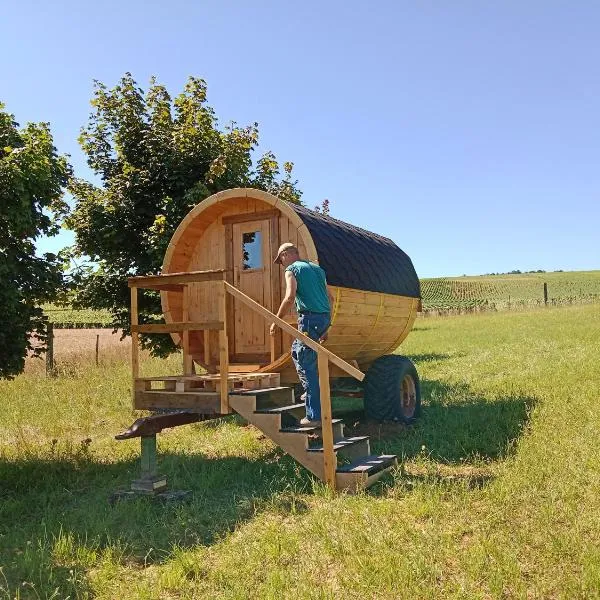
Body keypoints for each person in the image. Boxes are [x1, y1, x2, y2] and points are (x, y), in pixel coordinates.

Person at [270, 242, 334, 426]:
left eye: (280, 260)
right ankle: (310, 391)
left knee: (304, 361)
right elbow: (331, 298)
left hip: (309, 319)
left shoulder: (292, 269)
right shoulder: (317, 269)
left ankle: (314, 416)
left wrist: (276, 320)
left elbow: (290, 296)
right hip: (323, 319)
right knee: (300, 354)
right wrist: (327, 326)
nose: (281, 264)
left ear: (285, 255)